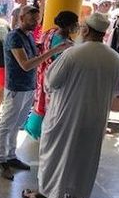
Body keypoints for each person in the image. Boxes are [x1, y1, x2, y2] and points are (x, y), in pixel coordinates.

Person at [22, 13, 119, 198]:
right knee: (85, 155)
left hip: (65, 114)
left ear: (85, 30)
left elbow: (52, 81)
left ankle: (46, 193)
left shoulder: (72, 53)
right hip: (95, 116)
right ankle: (76, 196)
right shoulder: (116, 58)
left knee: (54, 152)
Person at [0, 6, 70, 180]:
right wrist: (53, 50)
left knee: (17, 123)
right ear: (21, 17)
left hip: (28, 86)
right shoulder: (14, 37)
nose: (36, 23)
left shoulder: (28, 36)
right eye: (32, 20)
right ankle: (1, 160)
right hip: (16, 87)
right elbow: (26, 64)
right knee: (7, 124)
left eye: (37, 19)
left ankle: (11, 156)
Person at [25, 11, 79, 140]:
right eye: (75, 23)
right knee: (51, 106)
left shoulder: (50, 32)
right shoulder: (66, 45)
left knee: (40, 102)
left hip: (41, 73)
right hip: (54, 78)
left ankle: (33, 128)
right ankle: (45, 133)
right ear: (69, 25)